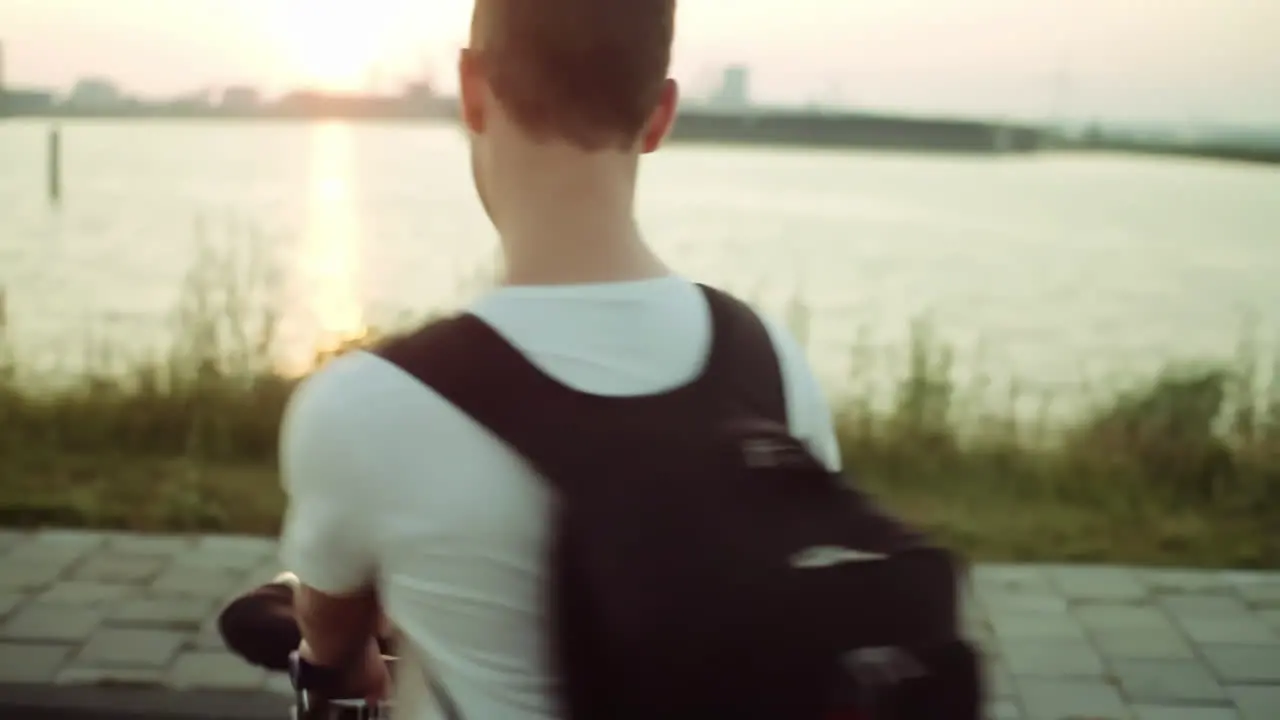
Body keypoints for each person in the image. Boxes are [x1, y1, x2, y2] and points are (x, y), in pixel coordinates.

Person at [276, 0, 841, 717]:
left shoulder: (366, 406)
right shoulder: (774, 367)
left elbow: (328, 634)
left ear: (473, 91)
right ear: (661, 114)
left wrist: (345, 667)